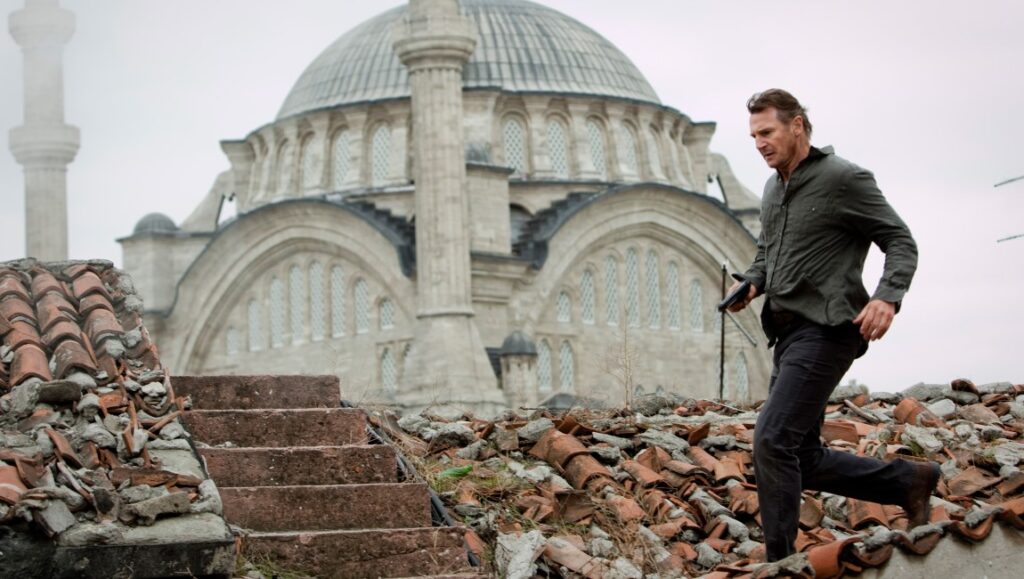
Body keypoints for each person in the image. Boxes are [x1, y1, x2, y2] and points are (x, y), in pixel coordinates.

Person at [727, 89, 939, 562]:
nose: (759, 143)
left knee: (772, 439)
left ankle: (780, 563)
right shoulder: (772, 187)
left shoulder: (844, 179)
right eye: (753, 136)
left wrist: (888, 297)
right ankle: (910, 481)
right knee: (800, 457)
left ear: (797, 125)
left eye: (767, 132)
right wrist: (753, 283)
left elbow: (899, 240)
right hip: (787, 333)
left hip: (827, 329)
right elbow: (768, 252)